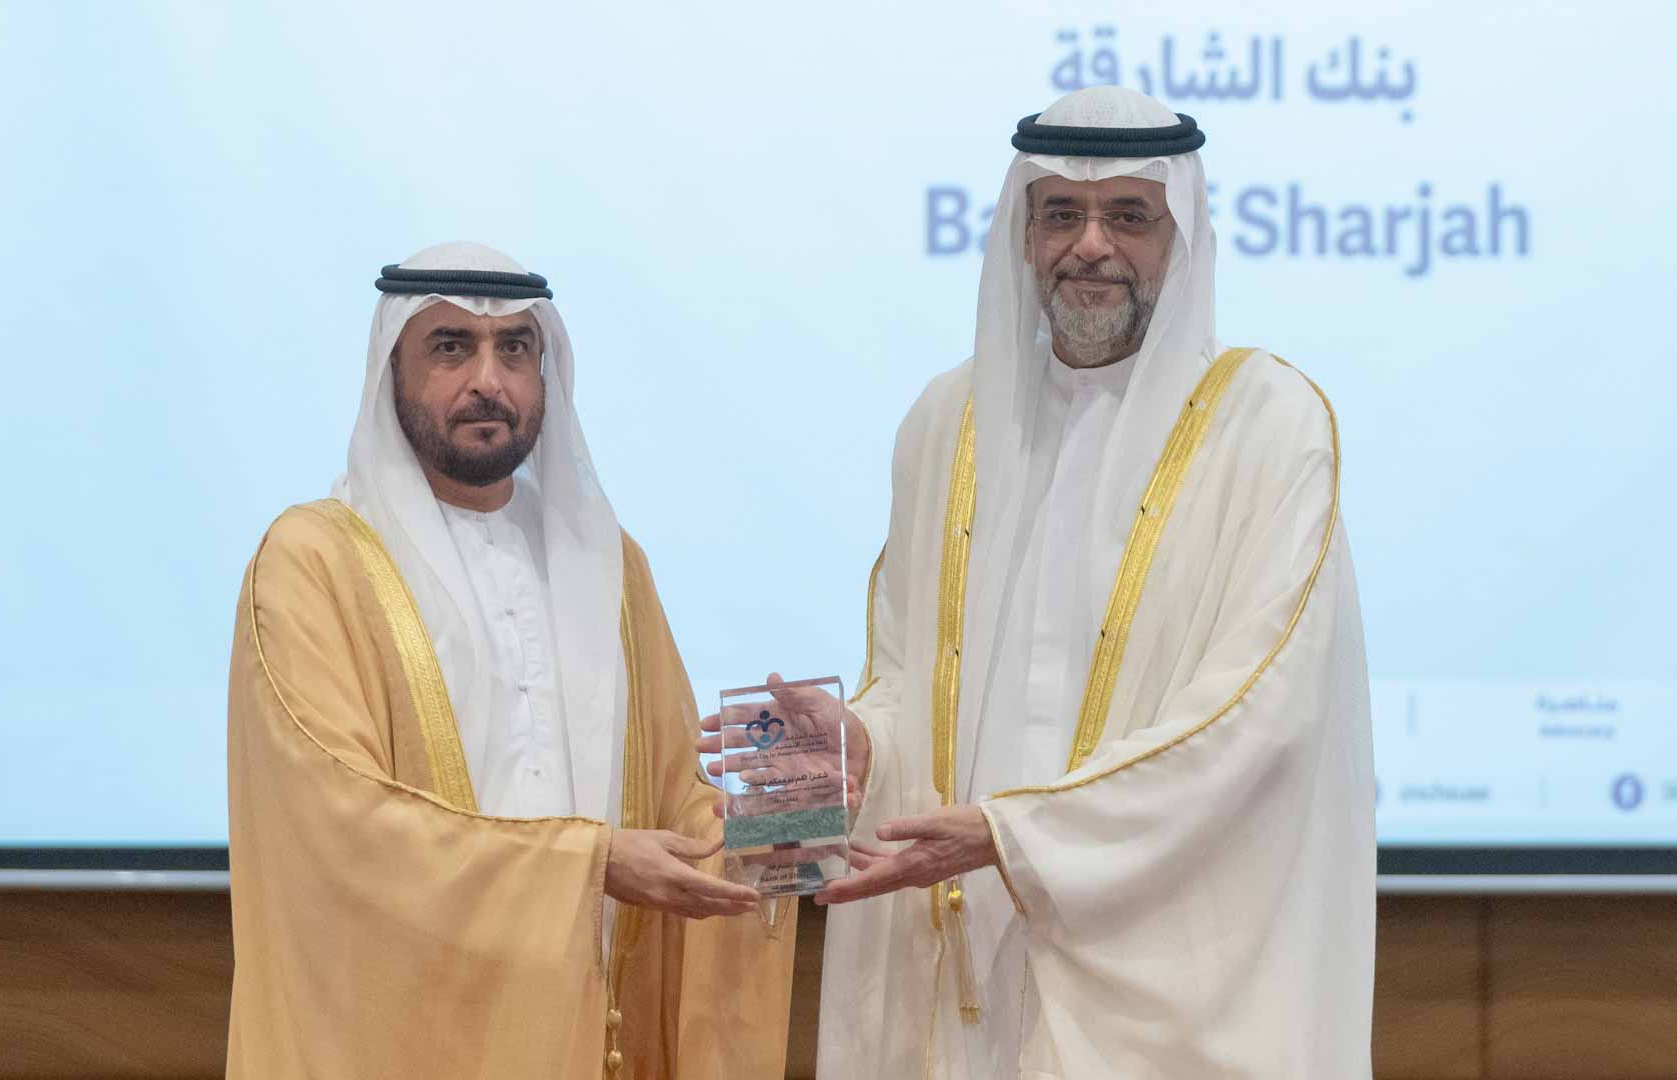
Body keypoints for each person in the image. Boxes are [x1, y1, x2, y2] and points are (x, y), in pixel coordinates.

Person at [812, 87, 1376, 1077]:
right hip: (962, 966)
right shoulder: (949, 422)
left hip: (1159, 980)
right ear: (1023, 233)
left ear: (1181, 234)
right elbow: (909, 678)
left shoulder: (1267, 426)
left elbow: (1257, 718)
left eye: (1129, 215)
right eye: (1061, 214)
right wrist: (862, 739)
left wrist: (1015, 833)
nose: (1090, 246)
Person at [226, 242, 795, 1078]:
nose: (488, 381)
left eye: (515, 350)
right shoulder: (314, 562)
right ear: (392, 370)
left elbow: (675, 799)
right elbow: (339, 822)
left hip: (588, 1041)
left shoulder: (606, 563)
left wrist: (786, 826)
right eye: (451, 347)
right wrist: (590, 864)